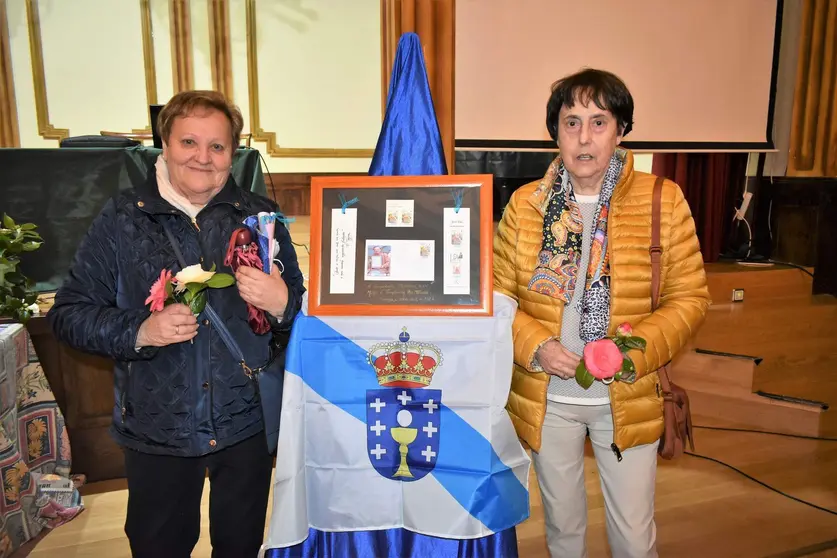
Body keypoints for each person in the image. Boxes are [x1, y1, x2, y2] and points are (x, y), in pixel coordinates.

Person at [48, 90, 305, 558]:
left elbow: (299, 322)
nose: (203, 158)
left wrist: (286, 303)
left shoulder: (260, 217)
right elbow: (69, 314)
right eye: (189, 142)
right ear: (163, 143)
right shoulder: (123, 217)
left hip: (244, 422)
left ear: (235, 152)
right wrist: (141, 331)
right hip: (158, 428)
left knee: (241, 546)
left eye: (218, 146)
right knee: (158, 547)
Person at [493, 68, 711, 558]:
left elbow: (690, 297)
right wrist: (537, 346)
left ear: (621, 130)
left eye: (598, 122)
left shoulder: (663, 199)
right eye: (572, 122)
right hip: (548, 400)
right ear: (556, 133)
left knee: (634, 538)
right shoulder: (526, 204)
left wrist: (630, 352)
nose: (584, 137)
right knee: (563, 534)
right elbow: (497, 296)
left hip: (627, 395)